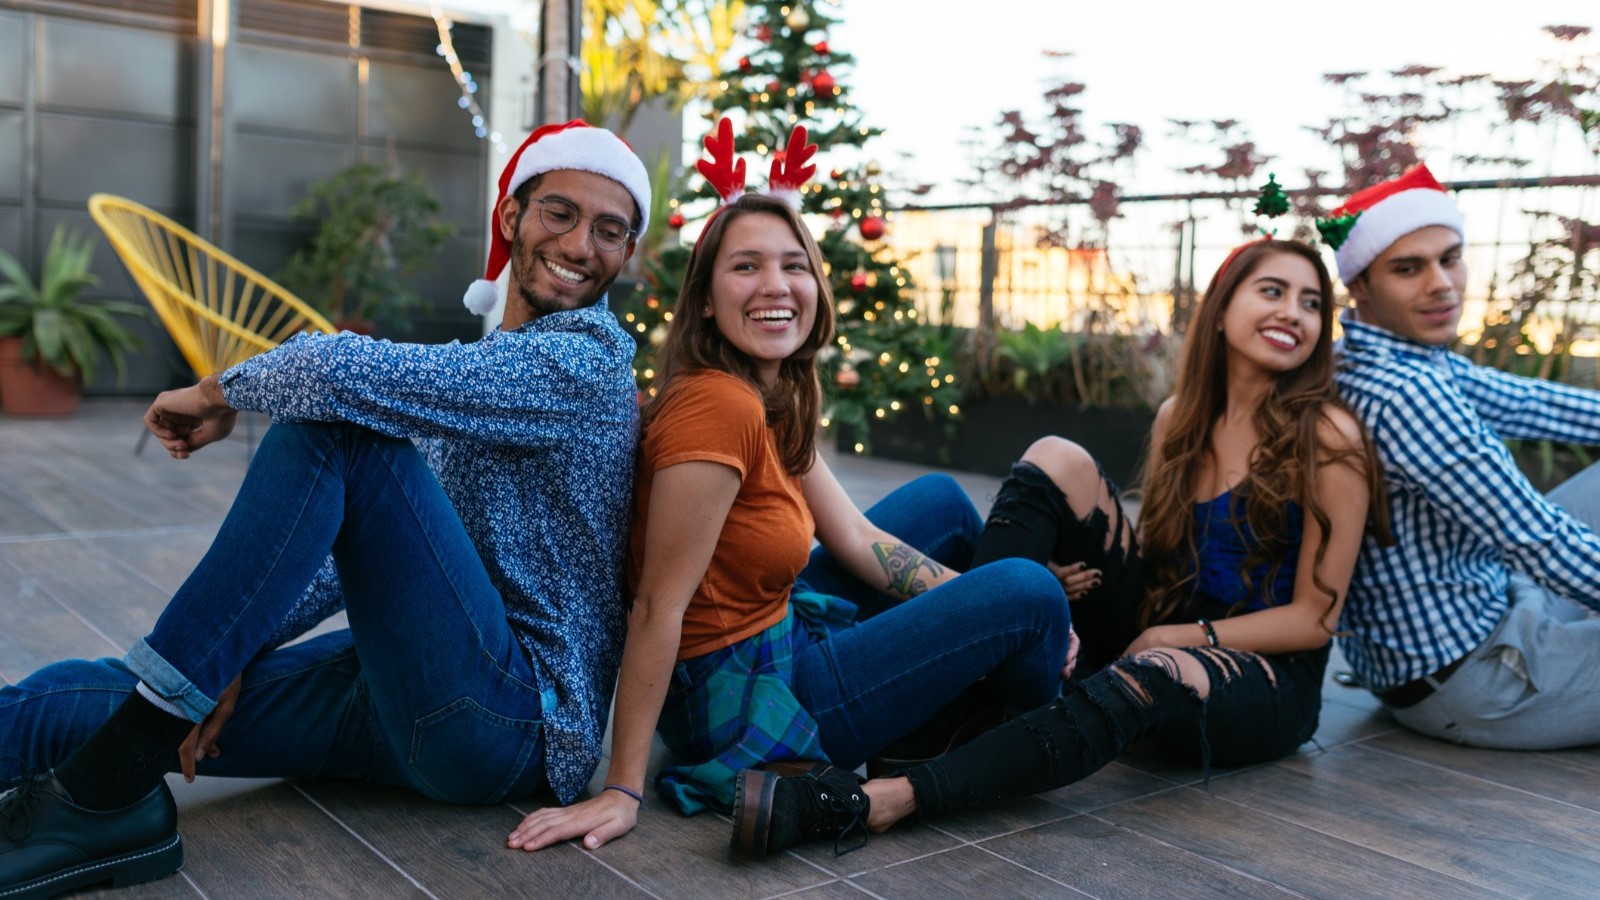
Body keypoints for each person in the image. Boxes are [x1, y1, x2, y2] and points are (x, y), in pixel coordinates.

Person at [0, 119, 650, 897]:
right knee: (85, 699)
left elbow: (329, 368)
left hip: (513, 726)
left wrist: (216, 391)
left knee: (336, 431)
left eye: (609, 231)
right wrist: (238, 650)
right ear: (511, 217)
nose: (581, 245)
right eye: (560, 213)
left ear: (628, 254)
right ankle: (123, 758)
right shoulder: (487, 368)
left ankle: (105, 798)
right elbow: (373, 551)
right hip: (403, 690)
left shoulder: (587, 365)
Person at [506, 124, 1075, 857]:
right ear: (707, 299)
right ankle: (998, 716)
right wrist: (621, 788)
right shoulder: (720, 406)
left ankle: (982, 671)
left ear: (815, 282)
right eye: (745, 267)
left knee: (940, 504)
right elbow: (656, 602)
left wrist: (971, 599)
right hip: (746, 699)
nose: (775, 286)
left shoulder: (768, 391)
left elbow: (855, 537)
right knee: (1033, 595)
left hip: (782, 629)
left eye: (792, 265)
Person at [730, 236, 1390, 854]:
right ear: (1222, 310)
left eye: (1311, 303)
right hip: (1162, 624)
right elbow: (1164, 563)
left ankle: (882, 799)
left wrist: (1175, 640)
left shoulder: (1329, 437)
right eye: (1272, 291)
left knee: (1152, 673)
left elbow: (1315, 621)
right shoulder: (1179, 419)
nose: (1294, 313)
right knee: (1056, 455)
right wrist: (1047, 577)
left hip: (1264, 670)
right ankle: (983, 674)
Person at [1324, 163, 1600, 748]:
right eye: (1408, 268)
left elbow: (1534, 403)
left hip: (1476, 617)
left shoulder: (1392, 357)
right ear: (1361, 287)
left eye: (1449, 258)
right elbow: (1537, 540)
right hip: (1480, 679)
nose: (1442, 284)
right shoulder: (1407, 393)